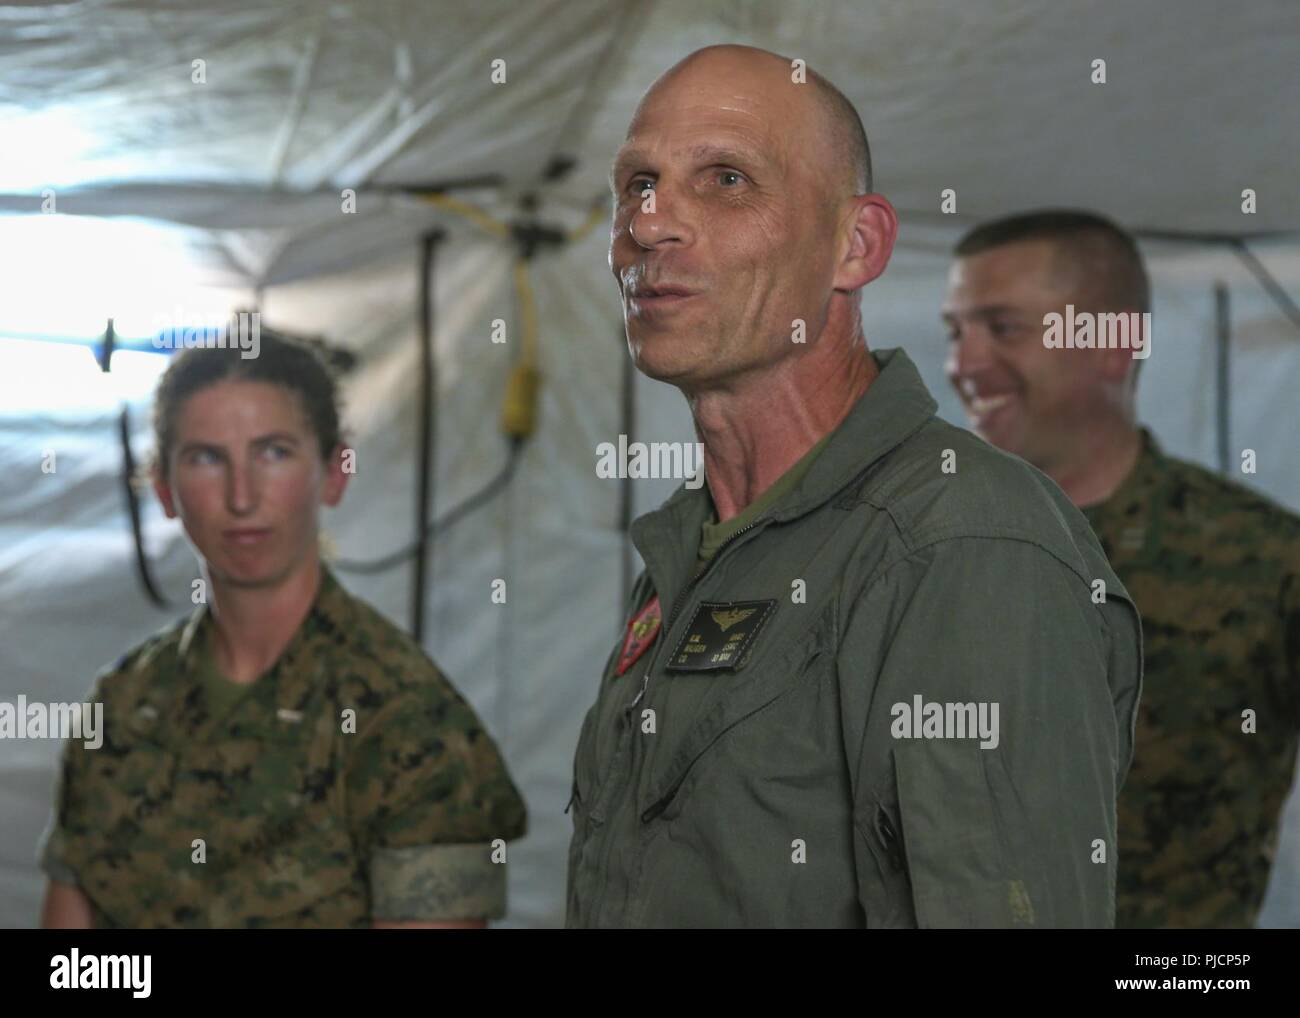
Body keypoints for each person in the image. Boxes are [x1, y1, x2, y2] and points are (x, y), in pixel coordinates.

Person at [566, 45, 1142, 928]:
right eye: (636, 182)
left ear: (856, 245)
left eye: (725, 179)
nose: (650, 222)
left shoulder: (962, 547)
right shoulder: (702, 541)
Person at [38, 329, 526, 928]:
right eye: (207, 458)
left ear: (335, 472)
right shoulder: (121, 706)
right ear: (164, 487)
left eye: (274, 452)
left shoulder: (407, 724)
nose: (242, 497)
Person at [942, 209, 1300, 928]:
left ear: (1113, 345)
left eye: (1003, 327)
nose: (963, 365)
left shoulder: (1258, 559)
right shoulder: (921, 548)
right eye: (956, 331)